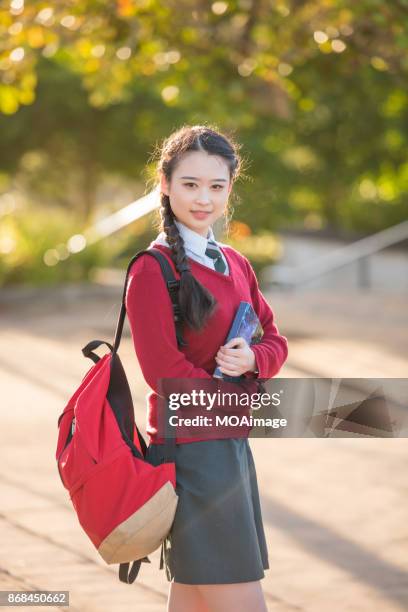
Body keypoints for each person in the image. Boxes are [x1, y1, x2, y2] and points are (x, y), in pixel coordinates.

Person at [125, 124, 288, 612]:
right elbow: (163, 373)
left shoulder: (235, 262)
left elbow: (274, 339)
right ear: (165, 184)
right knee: (237, 593)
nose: (203, 199)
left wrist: (252, 359)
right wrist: (241, 402)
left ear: (230, 189)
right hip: (194, 452)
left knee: (196, 594)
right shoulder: (152, 270)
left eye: (216, 186)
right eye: (190, 184)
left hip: (228, 442)